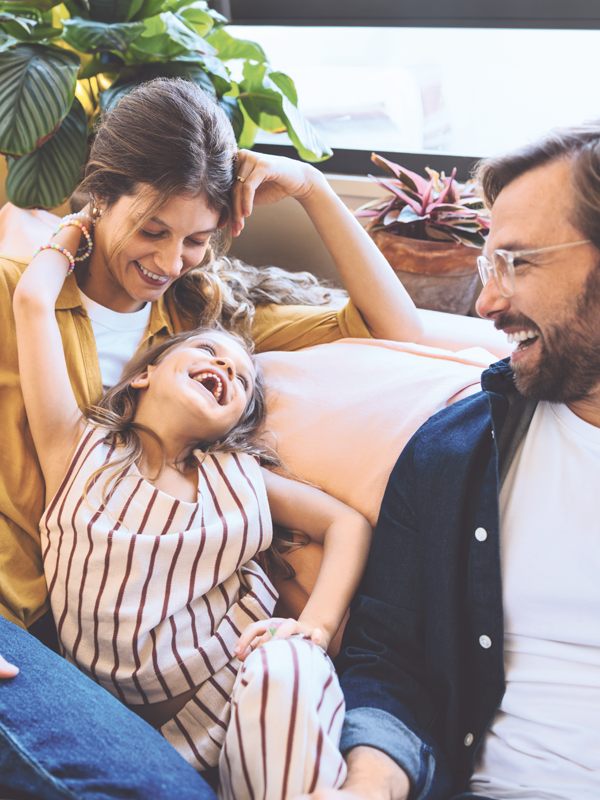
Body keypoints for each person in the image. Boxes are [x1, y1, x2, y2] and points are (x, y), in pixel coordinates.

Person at [0, 78, 420, 796]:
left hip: (96, 651)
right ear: (100, 196)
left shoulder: (202, 333)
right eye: (153, 230)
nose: (170, 262)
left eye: (197, 238)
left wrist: (317, 188)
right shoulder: (22, 293)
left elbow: (396, 329)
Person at [13, 215, 372, 797]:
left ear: (237, 420)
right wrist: (79, 226)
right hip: (125, 726)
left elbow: (346, 523)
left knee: (289, 667)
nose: (227, 369)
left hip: (240, 686)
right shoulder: (76, 447)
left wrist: (316, 628)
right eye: (209, 350)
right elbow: (32, 301)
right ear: (145, 374)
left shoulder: (236, 475)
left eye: (242, 380)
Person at [313, 122, 600, 800]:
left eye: (517, 263)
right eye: (486, 266)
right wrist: (371, 777)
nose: (487, 303)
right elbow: (388, 658)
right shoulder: (453, 454)